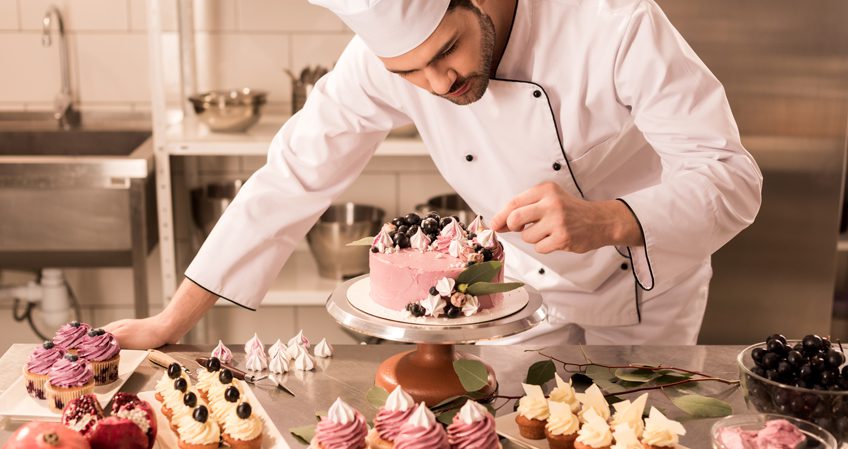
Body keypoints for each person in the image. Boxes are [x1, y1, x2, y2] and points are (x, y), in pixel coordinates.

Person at [105, 0, 762, 348]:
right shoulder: (384, 63)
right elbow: (291, 176)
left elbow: (731, 177)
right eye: (409, 73)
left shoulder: (612, 24)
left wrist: (609, 218)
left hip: (645, 298)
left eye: (447, 49)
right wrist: (171, 320)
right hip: (521, 296)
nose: (439, 83)